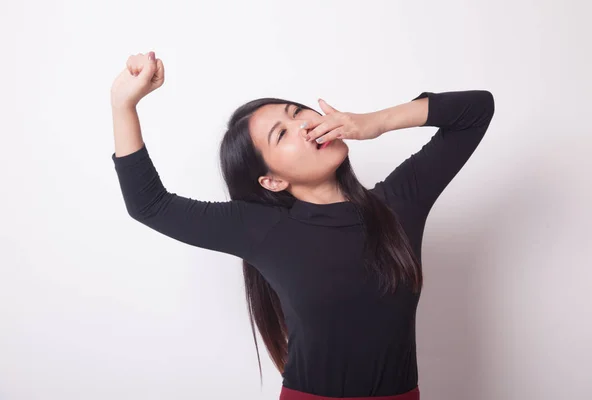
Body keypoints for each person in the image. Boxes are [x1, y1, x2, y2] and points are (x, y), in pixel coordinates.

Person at [110, 51, 495, 400]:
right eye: (282, 134)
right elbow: (150, 205)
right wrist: (123, 103)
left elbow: (477, 110)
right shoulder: (261, 228)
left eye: (297, 113)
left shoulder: (398, 203)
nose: (304, 125)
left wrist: (376, 122)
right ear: (272, 181)